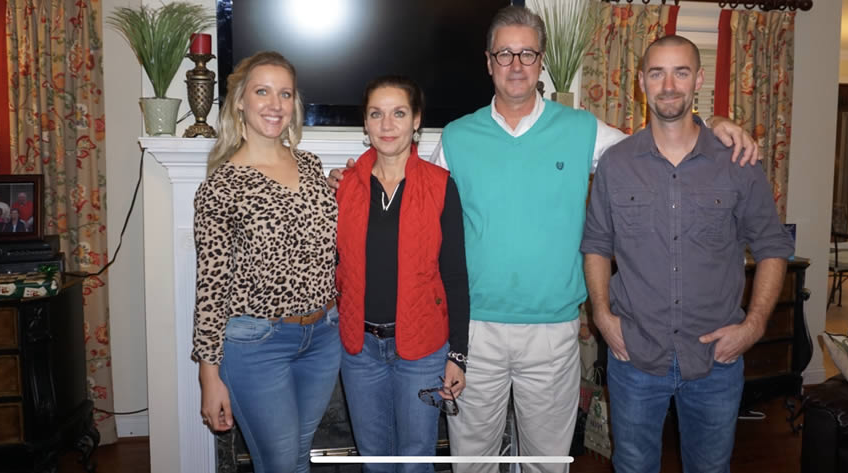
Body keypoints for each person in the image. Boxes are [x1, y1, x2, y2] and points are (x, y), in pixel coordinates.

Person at [329, 8, 758, 472]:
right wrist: (353, 179)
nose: (516, 65)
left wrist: (712, 122)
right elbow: (410, 190)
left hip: (552, 333)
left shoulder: (582, 129)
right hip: (475, 331)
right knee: (471, 463)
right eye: (504, 54)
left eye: (527, 54)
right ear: (488, 62)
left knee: (546, 464)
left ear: (542, 61)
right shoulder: (457, 136)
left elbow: (659, 147)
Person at [580, 35, 793, 473]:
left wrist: (754, 325)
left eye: (681, 72)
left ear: (698, 80)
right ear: (641, 82)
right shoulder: (616, 164)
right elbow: (597, 244)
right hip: (635, 355)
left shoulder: (737, 161)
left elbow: (773, 246)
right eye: (657, 73)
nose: (669, 85)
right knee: (632, 467)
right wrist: (602, 316)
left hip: (716, 358)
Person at [191, 51, 340, 473]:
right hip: (258, 343)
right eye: (262, 92)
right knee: (280, 463)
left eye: (285, 94)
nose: (275, 104)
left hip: (324, 335)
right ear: (240, 101)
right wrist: (208, 376)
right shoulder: (221, 186)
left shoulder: (311, 166)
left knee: (298, 456)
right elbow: (210, 287)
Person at [335, 76, 470, 472]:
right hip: (360, 351)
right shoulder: (344, 187)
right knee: (374, 462)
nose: (387, 124)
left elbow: (455, 275)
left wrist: (458, 355)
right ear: (365, 123)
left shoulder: (441, 186)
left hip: (423, 350)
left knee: (416, 461)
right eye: (376, 114)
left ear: (416, 121)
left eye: (398, 113)